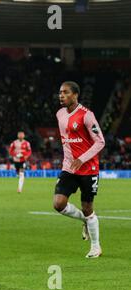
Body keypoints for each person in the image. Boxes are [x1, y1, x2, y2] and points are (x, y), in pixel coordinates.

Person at [53, 81, 105, 258]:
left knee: (87, 207)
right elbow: (66, 140)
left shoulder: (86, 115)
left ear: (75, 95)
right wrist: (69, 161)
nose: (61, 95)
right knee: (58, 204)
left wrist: (81, 159)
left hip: (88, 168)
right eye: (60, 92)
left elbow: (100, 141)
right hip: (69, 168)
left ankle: (95, 247)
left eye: (65, 92)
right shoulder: (60, 114)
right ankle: (84, 219)